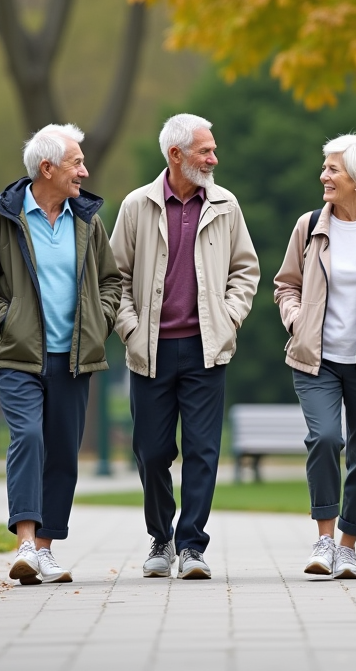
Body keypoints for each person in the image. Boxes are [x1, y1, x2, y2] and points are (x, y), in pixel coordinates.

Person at [0, 123, 121, 586]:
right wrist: (7, 320)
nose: (84, 171)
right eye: (76, 163)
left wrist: (100, 319)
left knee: (63, 452)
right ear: (46, 168)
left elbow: (111, 281)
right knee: (29, 436)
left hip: (73, 356)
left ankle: (44, 552)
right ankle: (25, 541)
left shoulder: (87, 220)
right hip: (17, 356)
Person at [110, 113, 260, 580]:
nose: (214, 158)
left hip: (205, 349)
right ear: (176, 155)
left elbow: (246, 270)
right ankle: (162, 536)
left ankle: (193, 545)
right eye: (205, 151)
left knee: (202, 450)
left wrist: (230, 317)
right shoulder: (136, 206)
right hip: (150, 350)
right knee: (152, 452)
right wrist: (131, 330)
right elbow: (112, 279)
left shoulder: (226, 205)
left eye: (213, 149)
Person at [274, 134, 356, 579]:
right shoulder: (310, 224)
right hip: (316, 358)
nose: (324, 176)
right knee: (326, 438)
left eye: (333, 169)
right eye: (325, 167)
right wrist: (296, 319)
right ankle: (324, 539)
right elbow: (285, 284)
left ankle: (348, 545)